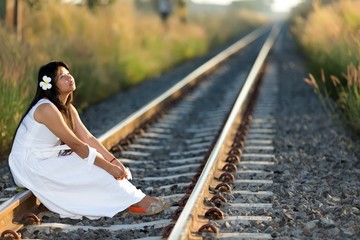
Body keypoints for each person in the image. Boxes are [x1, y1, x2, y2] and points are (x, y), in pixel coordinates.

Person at [8, 61, 167, 219]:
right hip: (29, 164)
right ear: (50, 84)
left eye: (69, 74)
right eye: (63, 76)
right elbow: (76, 144)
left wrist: (112, 160)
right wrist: (107, 167)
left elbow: (88, 138)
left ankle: (135, 199)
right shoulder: (46, 108)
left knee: (92, 163)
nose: (70, 78)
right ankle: (136, 201)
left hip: (46, 159)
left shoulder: (68, 109)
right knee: (91, 165)